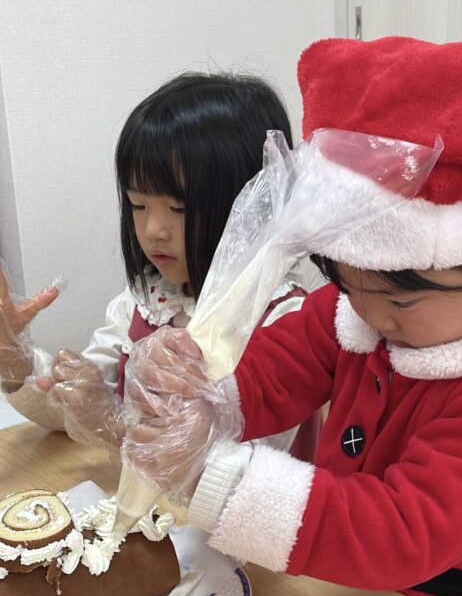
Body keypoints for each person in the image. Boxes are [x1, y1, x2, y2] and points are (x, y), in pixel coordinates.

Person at [123, 36, 462, 596]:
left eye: (399, 299)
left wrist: (213, 476)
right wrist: (199, 393)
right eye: (347, 284)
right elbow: (273, 372)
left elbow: (401, 530)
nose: (369, 316)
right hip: (339, 595)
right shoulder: (361, 312)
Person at [0, 72, 322, 456]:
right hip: (137, 494)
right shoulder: (149, 300)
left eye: (178, 209)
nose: (153, 230)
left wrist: (117, 425)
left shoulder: (287, 321)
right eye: (138, 205)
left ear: (253, 204)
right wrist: (15, 362)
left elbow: (246, 469)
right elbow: (76, 410)